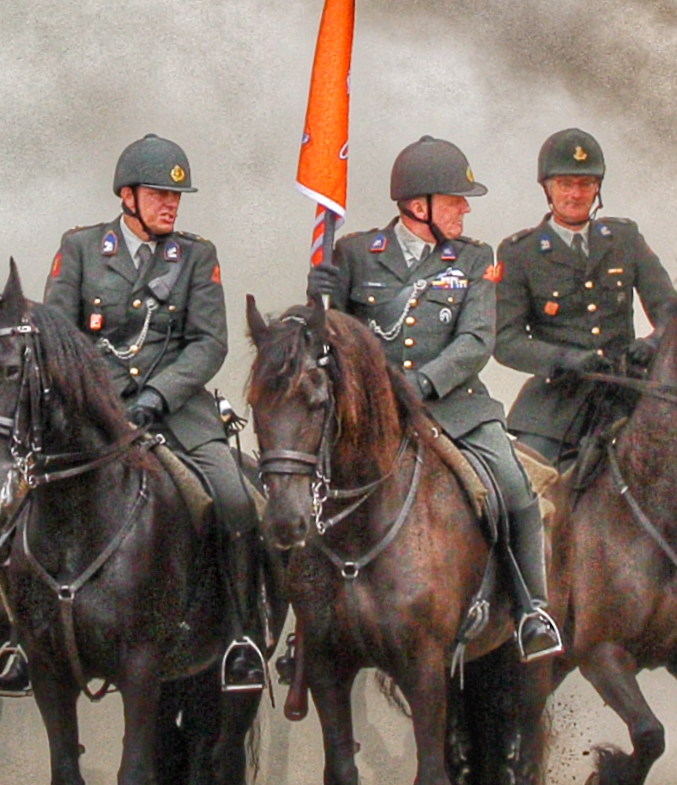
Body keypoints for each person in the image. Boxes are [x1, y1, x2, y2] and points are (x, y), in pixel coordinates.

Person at [312, 137, 562, 663]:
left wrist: (420, 386)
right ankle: (310, 626)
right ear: (417, 205)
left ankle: (532, 610)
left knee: (516, 490)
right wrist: (319, 292)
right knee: (305, 493)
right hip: (370, 417)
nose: (465, 209)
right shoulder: (356, 253)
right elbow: (332, 335)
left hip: (456, 409)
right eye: (455, 200)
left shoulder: (474, 258)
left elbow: (477, 341)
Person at [44, 135, 267, 694]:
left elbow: (209, 343)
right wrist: (102, 395)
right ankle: (17, 637)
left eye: (176, 195)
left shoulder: (196, 256)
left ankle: (242, 636)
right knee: (23, 494)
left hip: (178, 412)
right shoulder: (80, 248)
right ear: (127, 195)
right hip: (95, 412)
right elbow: (57, 333)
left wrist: (157, 396)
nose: (170, 203)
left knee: (236, 500)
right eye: (159, 193)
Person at [492, 128, 677, 469]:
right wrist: (564, 359)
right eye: (565, 184)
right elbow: (505, 341)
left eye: (585, 184)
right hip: (556, 407)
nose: (576, 194)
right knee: (524, 493)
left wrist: (653, 343)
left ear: (597, 188)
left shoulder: (625, 238)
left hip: (630, 396)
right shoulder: (520, 252)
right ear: (547, 188)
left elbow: (672, 312)